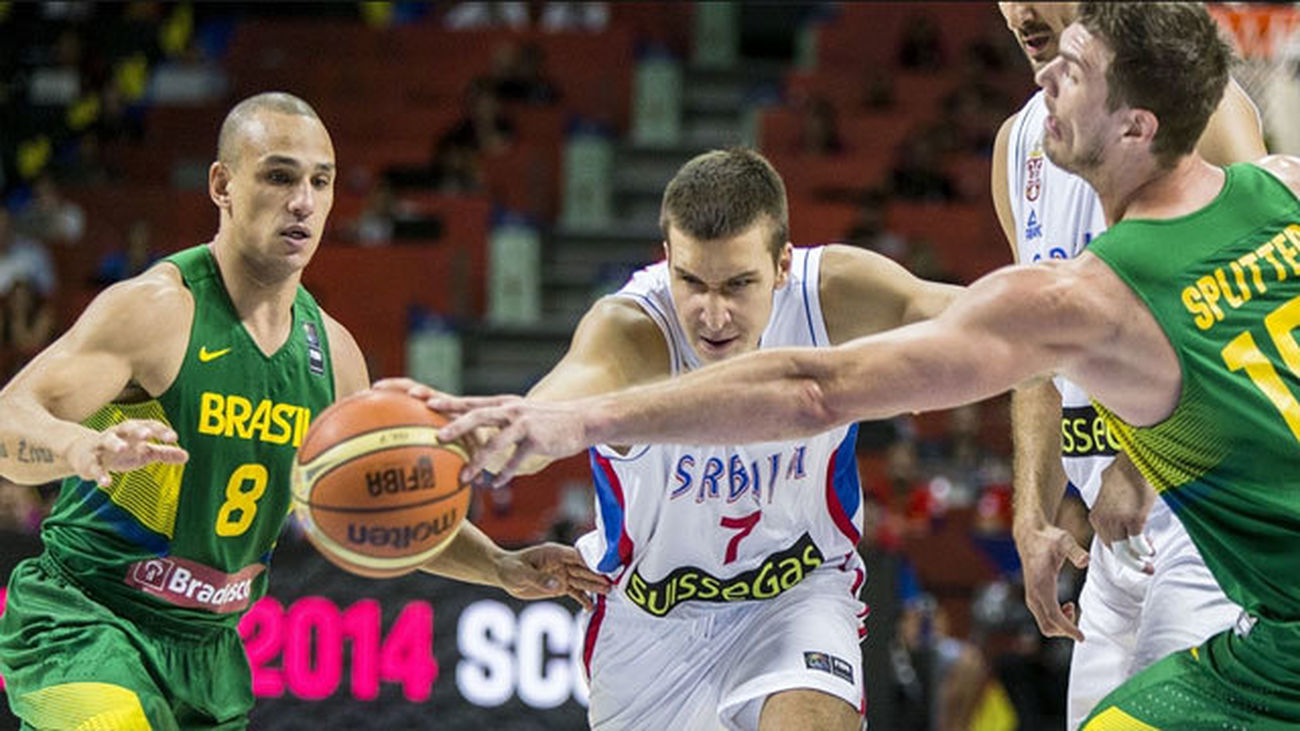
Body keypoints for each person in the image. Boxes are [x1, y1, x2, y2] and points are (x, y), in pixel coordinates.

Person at [436, 4, 1300, 727]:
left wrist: (576, 423)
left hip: (1255, 608)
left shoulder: (1089, 300)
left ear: (1136, 125)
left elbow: (813, 388)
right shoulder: (1283, 190)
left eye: (1072, 73)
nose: (1040, 79)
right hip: (1252, 610)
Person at [0, 92, 604, 730]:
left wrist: (501, 567)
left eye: (322, 182)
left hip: (209, 653)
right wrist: (76, 448)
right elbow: (10, 414)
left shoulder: (335, 356)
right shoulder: (154, 311)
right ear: (222, 185)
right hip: (84, 619)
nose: (304, 202)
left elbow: (390, 507)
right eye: (280, 176)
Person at [384, 147, 960, 730]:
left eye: (738, 285)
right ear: (667, 259)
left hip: (797, 593)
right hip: (651, 620)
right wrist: (481, 439)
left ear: (782, 265)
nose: (713, 315)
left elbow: (989, 326)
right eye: (692, 282)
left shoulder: (832, 296)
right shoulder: (631, 330)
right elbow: (549, 409)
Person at [992, 2, 1266, 727]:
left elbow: (1262, 285)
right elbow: (1033, 357)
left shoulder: (1198, 105)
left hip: (1211, 510)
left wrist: (1141, 463)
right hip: (1111, 544)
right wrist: (1031, 514)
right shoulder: (1018, 143)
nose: (1019, 10)